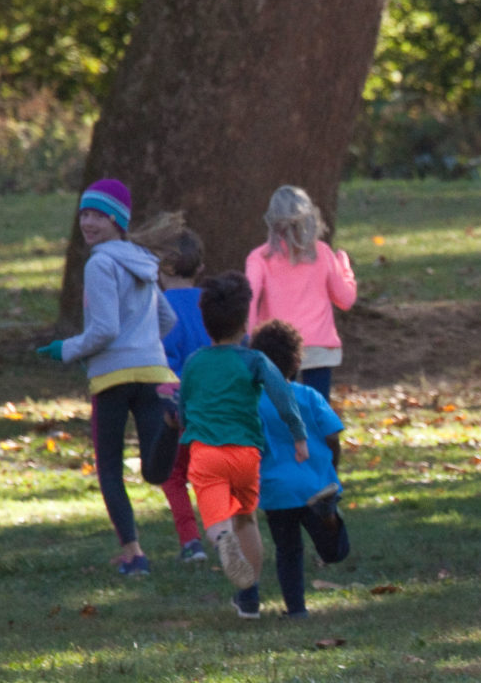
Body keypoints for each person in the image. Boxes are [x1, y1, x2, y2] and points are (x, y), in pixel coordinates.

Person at [37, 179, 179, 577]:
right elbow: (168, 320)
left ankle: (134, 554)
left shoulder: (100, 263)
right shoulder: (142, 260)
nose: (88, 222)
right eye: (84, 213)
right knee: (154, 470)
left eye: (98, 215)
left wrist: (65, 350)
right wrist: (144, 344)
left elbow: (104, 330)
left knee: (110, 469)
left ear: (117, 220)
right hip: (153, 373)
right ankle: (173, 426)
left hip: (113, 378)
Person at [180, 272, 309, 620]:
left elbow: (185, 406)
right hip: (245, 454)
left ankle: (220, 538)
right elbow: (283, 395)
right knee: (246, 519)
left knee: (216, 516)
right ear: (245, 321)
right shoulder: (254, 361)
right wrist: (298, 434)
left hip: (206, 451)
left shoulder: (194, 363)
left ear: (206, 323)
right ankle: (249, 598)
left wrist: (185, 433)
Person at [248, 318, 351, 618]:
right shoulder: (309, 396)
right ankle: (329, 516)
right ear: (296, 361)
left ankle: (296, 610)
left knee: (288, 550)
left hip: (276, 489)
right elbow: (332, 436)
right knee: (334, 552)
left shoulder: (253, 404)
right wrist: (332, 467)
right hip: (316, 485)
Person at [245, 185, 357, 396]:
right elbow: (345, 299)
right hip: (319, 346)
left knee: (279, 413)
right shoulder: (321, 253)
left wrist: (251, 340)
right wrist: (345, 268)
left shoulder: (260, 258)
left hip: (277, 347)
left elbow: (249, 301)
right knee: (316, 413)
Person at [156, 226, 213, 563]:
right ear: (200, 269)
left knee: (173, 476)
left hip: (177, 411)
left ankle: (191, 540)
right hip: (215, 408)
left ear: (162, 268)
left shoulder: (159, 309)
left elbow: (161, 362)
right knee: (209, 474)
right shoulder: (212, 305)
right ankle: (223, 531)